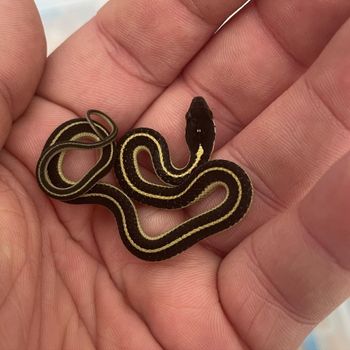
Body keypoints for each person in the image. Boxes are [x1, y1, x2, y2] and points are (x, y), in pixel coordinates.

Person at [0, 0, 349, 349]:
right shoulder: (159, 157)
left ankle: (87, 154)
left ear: (193, 135)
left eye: (196, 123)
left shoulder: (172, 164)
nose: (197, 118)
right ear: (203, 136)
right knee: (135, 149)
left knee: (135, 153)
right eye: (198, 122)